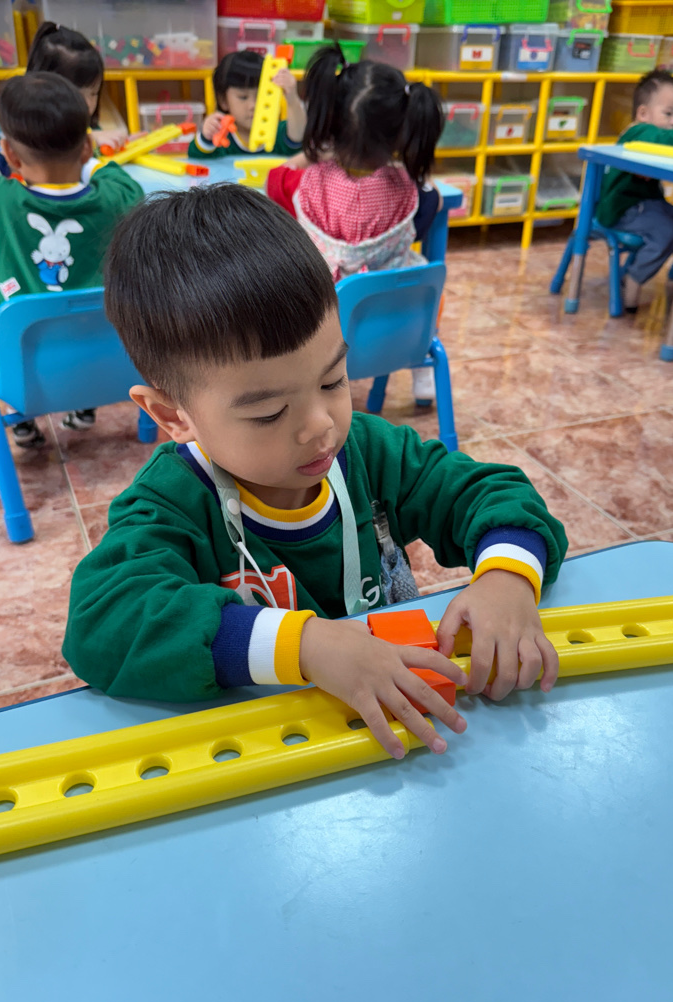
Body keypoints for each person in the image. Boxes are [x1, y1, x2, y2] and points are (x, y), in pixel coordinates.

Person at [62, 184, 569, 761]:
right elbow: (103, 622)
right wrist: (305, 646)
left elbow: (493, 493)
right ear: (172, 415)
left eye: (333, 380)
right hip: (272, 754)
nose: (320, 425)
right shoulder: (170, 504)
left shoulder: (371, 452)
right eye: (268, 413)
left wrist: (506, 579)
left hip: (392, 743)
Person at [266, 44, 444, 404]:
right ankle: (423, 371)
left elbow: (275, 178)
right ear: (402, 132)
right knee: (423, 277)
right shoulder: (411, 192)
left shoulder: (305, 183)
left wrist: (311, 156)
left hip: (323, 336)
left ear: (329, 125)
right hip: (396, 331)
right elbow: (433, 202)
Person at [0, 72, 143, 447]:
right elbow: (119, 178)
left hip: (19, 370)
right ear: (86, 147)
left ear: (11, 154)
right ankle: (85, 404)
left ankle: (23, 420)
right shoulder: (119, 198)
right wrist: (90, 159)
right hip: (109, 361)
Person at [595, 69, 673, 313]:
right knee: (668, 231)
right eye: (668, 114)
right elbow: (659, 136)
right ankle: (633, 279)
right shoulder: (637, 132)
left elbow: (669, 141)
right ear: (643, 113)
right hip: (622, 209)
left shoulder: (659, 137)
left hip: (651, 205)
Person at [26, 21, 128, 156]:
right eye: (77, 94)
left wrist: (118, 144)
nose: (88, 103)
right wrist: (88, 140)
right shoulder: (24, 131)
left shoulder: (87, 127)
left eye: (94, 93)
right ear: (41, 88)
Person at [188, 50, 305, 159]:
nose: (253, 105)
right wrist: (206, 136)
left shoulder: (280, 132)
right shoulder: (220, 136)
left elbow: (298, 137)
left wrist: (292, 99)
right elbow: (195, 156)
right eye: (243, 97)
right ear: (223, 101)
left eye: (261, 96)